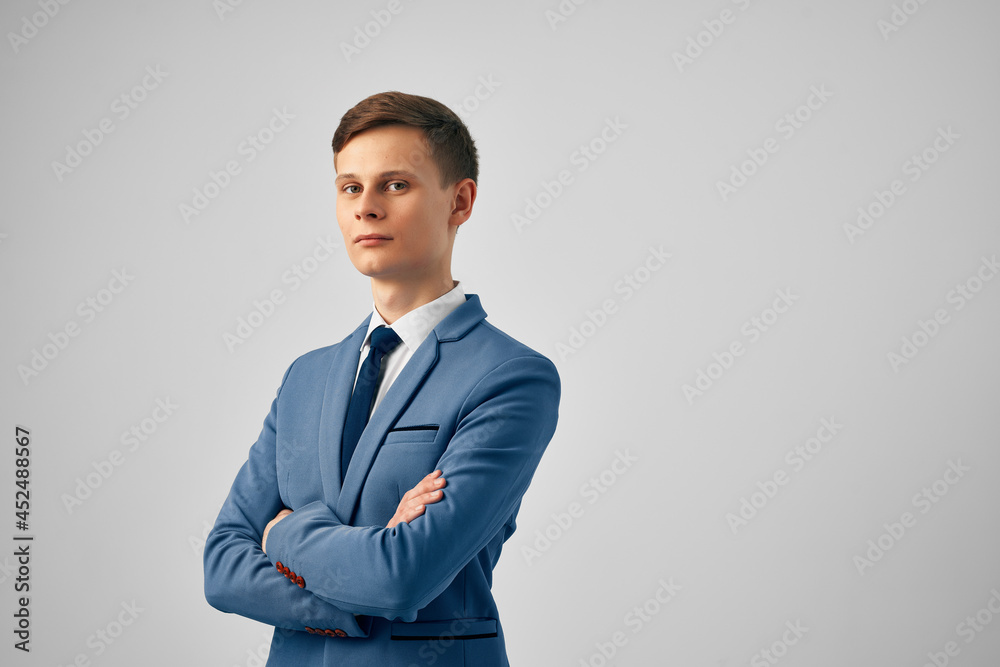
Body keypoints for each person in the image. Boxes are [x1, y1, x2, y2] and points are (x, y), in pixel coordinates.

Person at [203, 91, 561, 666]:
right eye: (350, 187)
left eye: (395, 185)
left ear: (460, 201)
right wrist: (358, 583)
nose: (366, 208)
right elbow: (222, 565)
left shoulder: (511, 377)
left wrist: (279, 536)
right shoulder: (306, 377)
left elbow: (401, 578)